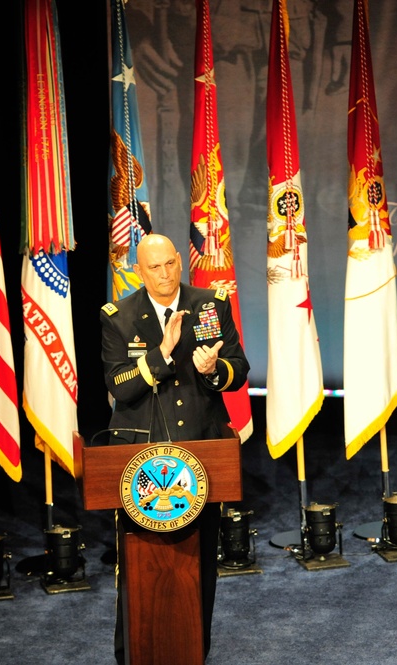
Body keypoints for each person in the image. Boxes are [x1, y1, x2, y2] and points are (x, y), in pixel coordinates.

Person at [100, 233, 250, 664]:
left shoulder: (210, 303)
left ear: (180, 262)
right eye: (154, 267)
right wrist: (162, 354)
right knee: (139, 564)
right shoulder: (118, 317)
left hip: (203, 451)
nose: (165, 275)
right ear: (138, 270)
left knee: (200, 563)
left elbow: (238, 370)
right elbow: (119, 387)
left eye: (170, 264)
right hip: (144, 461)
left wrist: (214, 369)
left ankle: (194, 651)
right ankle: (132, 654)